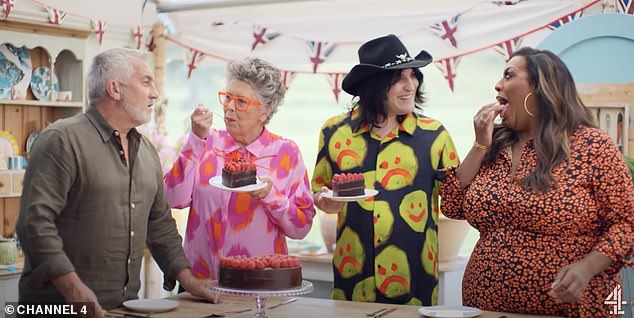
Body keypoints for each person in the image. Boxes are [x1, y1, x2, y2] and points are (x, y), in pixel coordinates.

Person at [16, 48, 216, 317]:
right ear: (114, 88)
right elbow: (35, 224)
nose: (155, 93)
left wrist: (188, 279)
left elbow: (159, 225)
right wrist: (75, 292)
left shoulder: (146, 150)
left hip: (126, 308)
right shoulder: (61, 140)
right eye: (146, 81)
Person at [440, 47, 634, 317]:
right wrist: (479, 145)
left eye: (509, 75)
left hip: (573, 308)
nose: (498, 84)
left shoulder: (591, 145)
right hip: (483, 305)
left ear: (541, 88)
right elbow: (452, 206)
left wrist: (587, 267)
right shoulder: (493, 145)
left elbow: (625, 223)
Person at [311, 34, 460, 305]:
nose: (410, 85)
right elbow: (318, 190)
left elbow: (458, 201)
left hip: (415, 278)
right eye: (398, 78)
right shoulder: (333, 131)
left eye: (413, 75)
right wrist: (323, 202)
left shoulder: (435, 135)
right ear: (373, 86)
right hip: (352, 277)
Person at [163, 57, 316, 281]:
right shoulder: (206, 143)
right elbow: (171, 197)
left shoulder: (285, 153)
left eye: (241, 102)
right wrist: (195, 140)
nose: (229, 108)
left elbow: (301, 227)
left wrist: (269, 195)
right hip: (199, 282)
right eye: (227, 98)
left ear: (265, 110)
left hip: (258, 283)